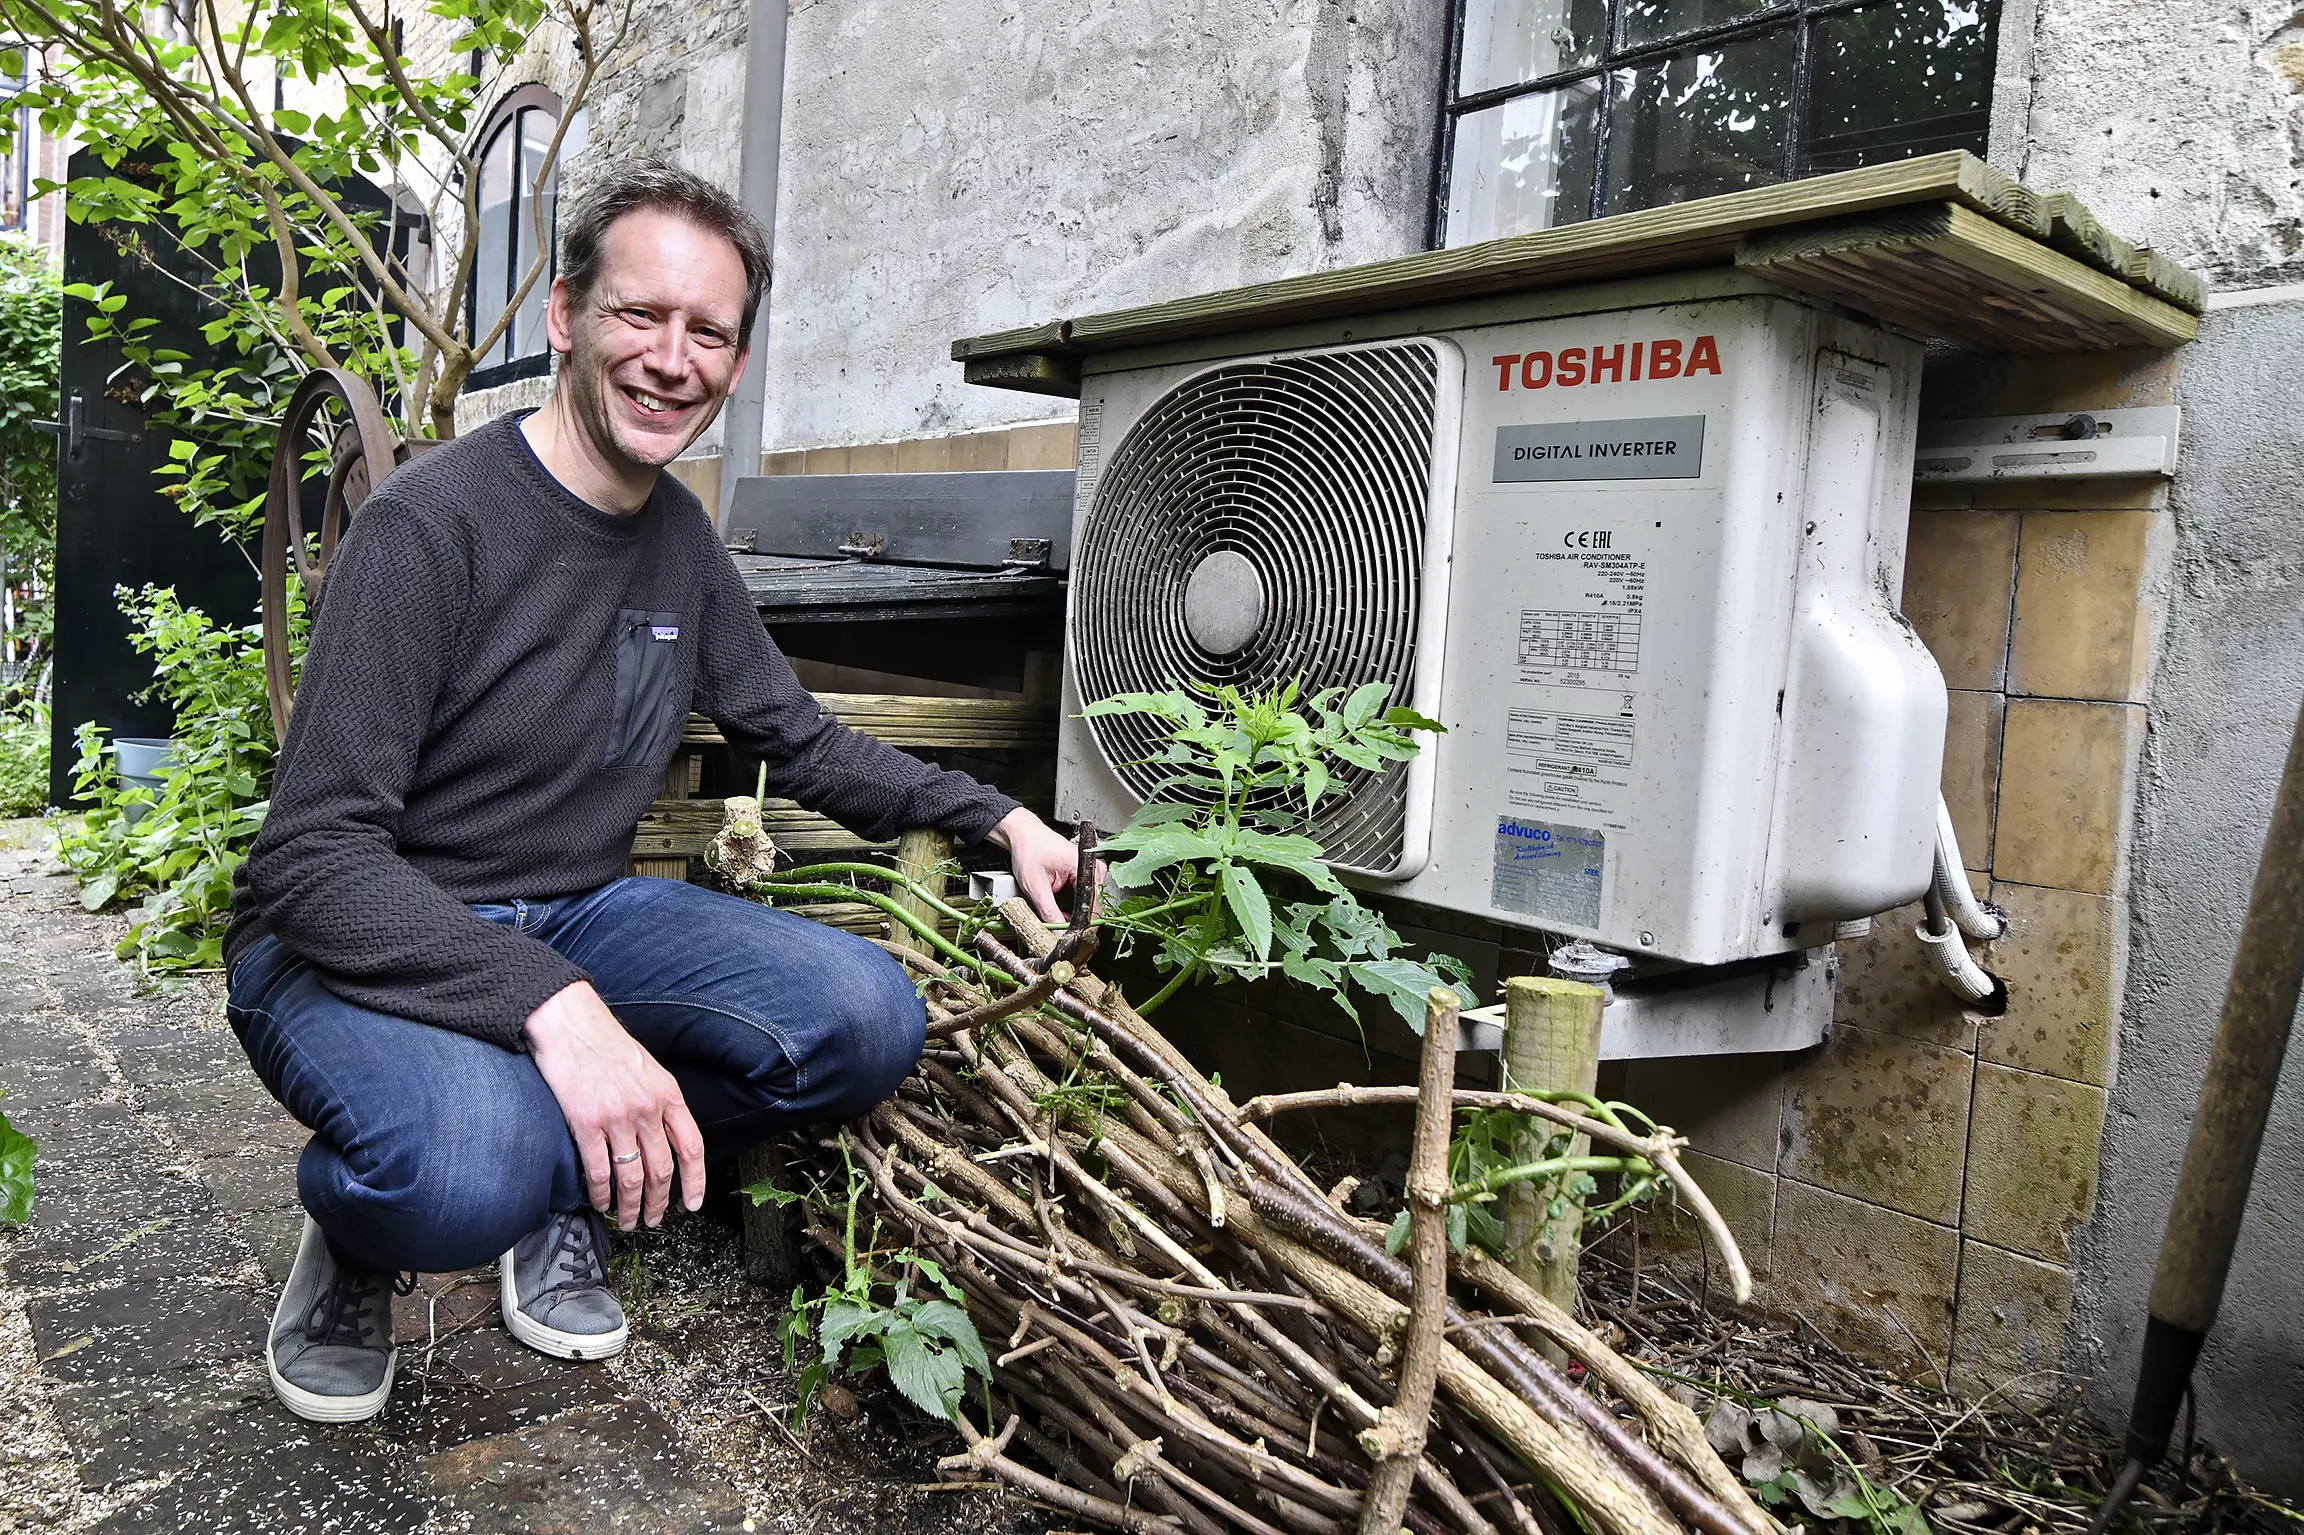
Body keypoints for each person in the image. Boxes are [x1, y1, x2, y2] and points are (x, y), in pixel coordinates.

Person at [223, 160, 1081, 1424]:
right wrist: (555, 1007)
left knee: (864, 1017)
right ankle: (370, 1225)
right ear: (566, 316)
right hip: (357, 936)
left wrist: (997, 815)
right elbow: (309, 862)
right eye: (641, 314)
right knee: (460, 1173)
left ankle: (549, 1181)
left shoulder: (682, 538)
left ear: (735, 362)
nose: (673, 358)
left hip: (572, 907)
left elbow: (798, 732)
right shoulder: (430, 526)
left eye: (709, 332)